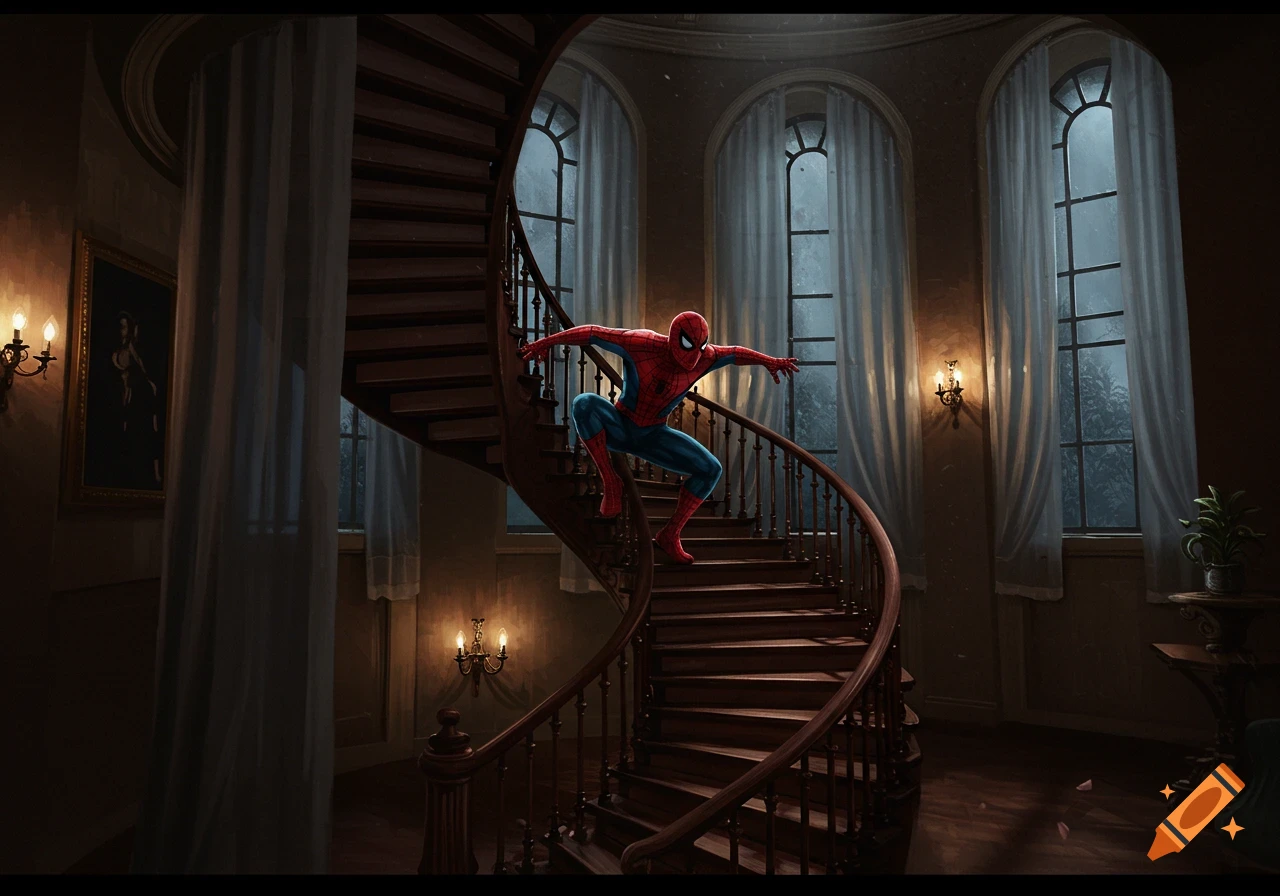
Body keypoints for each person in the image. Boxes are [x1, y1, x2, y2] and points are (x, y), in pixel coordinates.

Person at [518, 311, 797, 563]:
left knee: (711, 469)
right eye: (688, 345)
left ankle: (670, 534)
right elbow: (593, 332)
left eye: (701, 347)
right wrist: (546, 343)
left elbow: (736, 354)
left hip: (653, 435)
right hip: (619, 425)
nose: (694, 356)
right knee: (584, 403)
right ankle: (610, 480)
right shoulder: (642, 344)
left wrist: (769, 361)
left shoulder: (707, 357)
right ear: (674, 338)